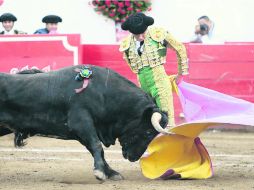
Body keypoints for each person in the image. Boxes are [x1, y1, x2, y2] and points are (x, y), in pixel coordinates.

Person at [119, 13, 189, 127]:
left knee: (167, 121)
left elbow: (180, 48)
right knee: (148, 123)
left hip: (160, 82)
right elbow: (133, 67)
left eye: (143, 32)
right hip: (143, 86)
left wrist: (181, 73)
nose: (141, 36)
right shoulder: (127, 44)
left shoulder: (158, 34)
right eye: (138, 34)